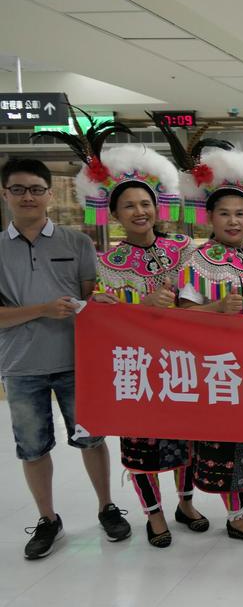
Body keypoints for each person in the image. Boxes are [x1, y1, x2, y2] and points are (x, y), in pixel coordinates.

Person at [1, 152, 132, 560]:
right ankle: (47, 519)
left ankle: (107, 507)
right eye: (19, 190)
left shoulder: (76, 242)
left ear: (50, 195)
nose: (28, 197)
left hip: (79, 361)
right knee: (33, 447)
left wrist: (103, 302)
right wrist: (41, 309)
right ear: (5, 193)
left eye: (36, 190)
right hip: (21, 366)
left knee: (92, 439)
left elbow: (92, 296)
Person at [78, 141, 208, 548]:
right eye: (129, 205)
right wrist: (140, 305)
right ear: (115, 214)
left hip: (184, 364)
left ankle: (185, 503)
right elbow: (104, 320)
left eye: (145, 203)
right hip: (136, 371)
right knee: (141, 445)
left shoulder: (183, 250)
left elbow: (198, 299)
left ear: (157, 207)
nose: (139, 211)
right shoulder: (106, 265)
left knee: (187, 437)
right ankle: (154, 514)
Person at [174, 144, 243, 543]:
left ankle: (241, 506)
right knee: (226, 444)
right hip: (217, 371)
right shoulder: (197, 262)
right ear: (209, 218)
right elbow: (178, 319)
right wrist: (216, 308)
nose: (233, 221)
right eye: (224, 213)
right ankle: (236, 516)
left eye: (240, 214)